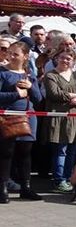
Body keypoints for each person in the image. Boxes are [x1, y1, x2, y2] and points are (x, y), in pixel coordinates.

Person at [0, 41, 44, 202]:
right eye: (9, 52)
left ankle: (26, 188)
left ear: (25, 57)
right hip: (7, 117)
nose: (10, 56)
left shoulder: (29, 73)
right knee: (6, 153)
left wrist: (30, 87)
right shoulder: (2, 73)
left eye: (15, 54)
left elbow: (38, 99)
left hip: (28, 117)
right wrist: (16, 95)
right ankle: (2, 188)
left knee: (25, 154)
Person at [42, 46, 76, 193]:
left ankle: (69, 177)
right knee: (60, 151)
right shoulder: (51, 75)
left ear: (74, 61)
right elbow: (54, 94)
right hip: (59, 118)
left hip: (75, 118)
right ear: (56, 58)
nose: (65, 61)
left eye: (69, 58)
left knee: (73, 151)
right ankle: (59, 180)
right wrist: (74, 96)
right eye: (62, 57)